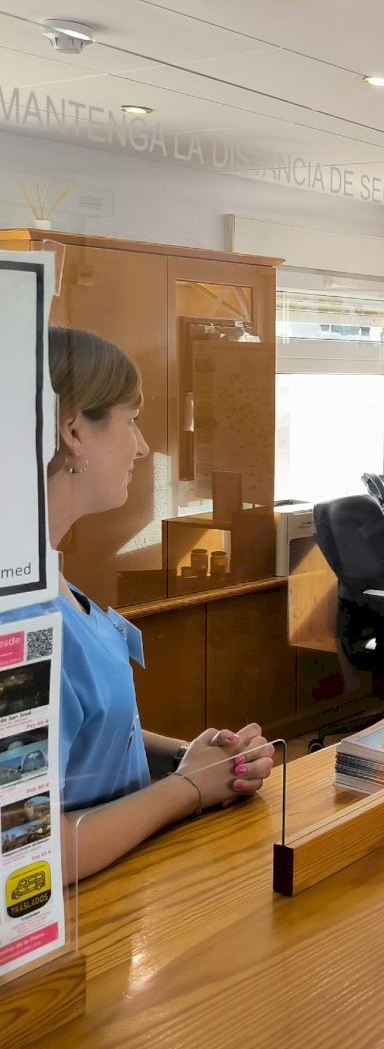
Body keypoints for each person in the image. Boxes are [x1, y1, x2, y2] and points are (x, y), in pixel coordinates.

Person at [7, 328, 275, 880]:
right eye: (131, 420)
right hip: (82, 918)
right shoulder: (19, 617)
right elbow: (26, 850)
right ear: (74, 430)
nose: (142, 445)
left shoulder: (47, 576)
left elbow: (81, 734)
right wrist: (189, 787)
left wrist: (193, 757)